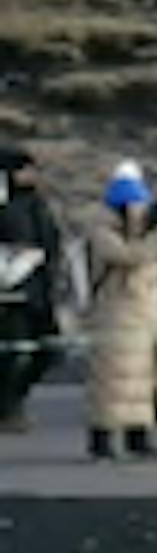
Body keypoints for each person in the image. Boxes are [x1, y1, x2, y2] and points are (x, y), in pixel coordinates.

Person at [80, 164, 157, 461]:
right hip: (115, 310)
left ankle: (138, 434)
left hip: (146, 310)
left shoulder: (147, 228)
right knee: (111, 378)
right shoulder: (101, 227)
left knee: (145, 378)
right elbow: (129, 256)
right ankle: (102, 437)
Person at [0, 148, 62, 433]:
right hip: (11, 292)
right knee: (16, 354)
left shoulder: (36, 203)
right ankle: (8, 407)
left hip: (38, 289)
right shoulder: (6, 205)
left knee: (46, 351)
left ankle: (13, 402)